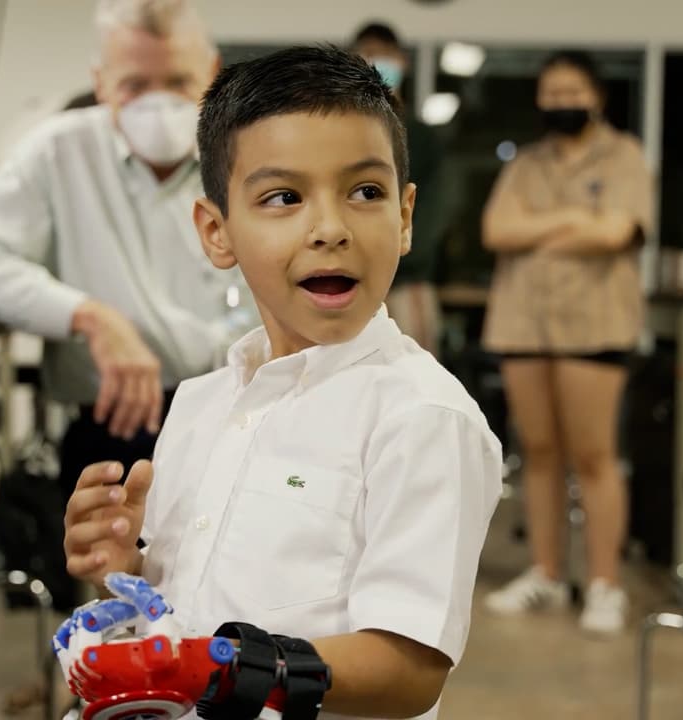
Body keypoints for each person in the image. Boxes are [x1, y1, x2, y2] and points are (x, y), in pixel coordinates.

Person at [60, 46, 502, 719]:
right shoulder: (202, 402)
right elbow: (179, 621)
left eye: (366, 192)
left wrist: (227, 668)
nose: (330, 228)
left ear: (406, 217)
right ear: (217, 231)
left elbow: (408, 670)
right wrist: (125, 577)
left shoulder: (423, 416)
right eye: (283, 197)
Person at [0, 0, 254, 496]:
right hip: (122, 428)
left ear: (212, 74)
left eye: (179, 83)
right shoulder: (61, 152)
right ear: (100, 82)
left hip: (249, 420)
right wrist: (89, 316)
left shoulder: (250, 153)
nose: (158, 105)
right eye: (135, 86)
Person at [479, 50, 653, 634]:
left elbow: (616, 232)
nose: (560, 103)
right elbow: (496, 229)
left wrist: (542, 226)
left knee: (594, 455)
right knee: (539, 451)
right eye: (550, 93)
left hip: (594, 323)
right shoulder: (526, 163)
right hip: (524, 321)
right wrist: (573, 220)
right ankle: (547, 574)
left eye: (571, 92)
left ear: (596, 95)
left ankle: (604, 583)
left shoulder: (624, 155)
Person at [351, 22, 447, 356]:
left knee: (416, 376)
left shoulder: (423, 137)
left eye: (385, 54)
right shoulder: (344, 133)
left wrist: (399, 253)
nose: (377, 61)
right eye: (367, 54)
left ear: (403, 61)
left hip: (409, 281)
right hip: (351, 277)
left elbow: (435, 210)